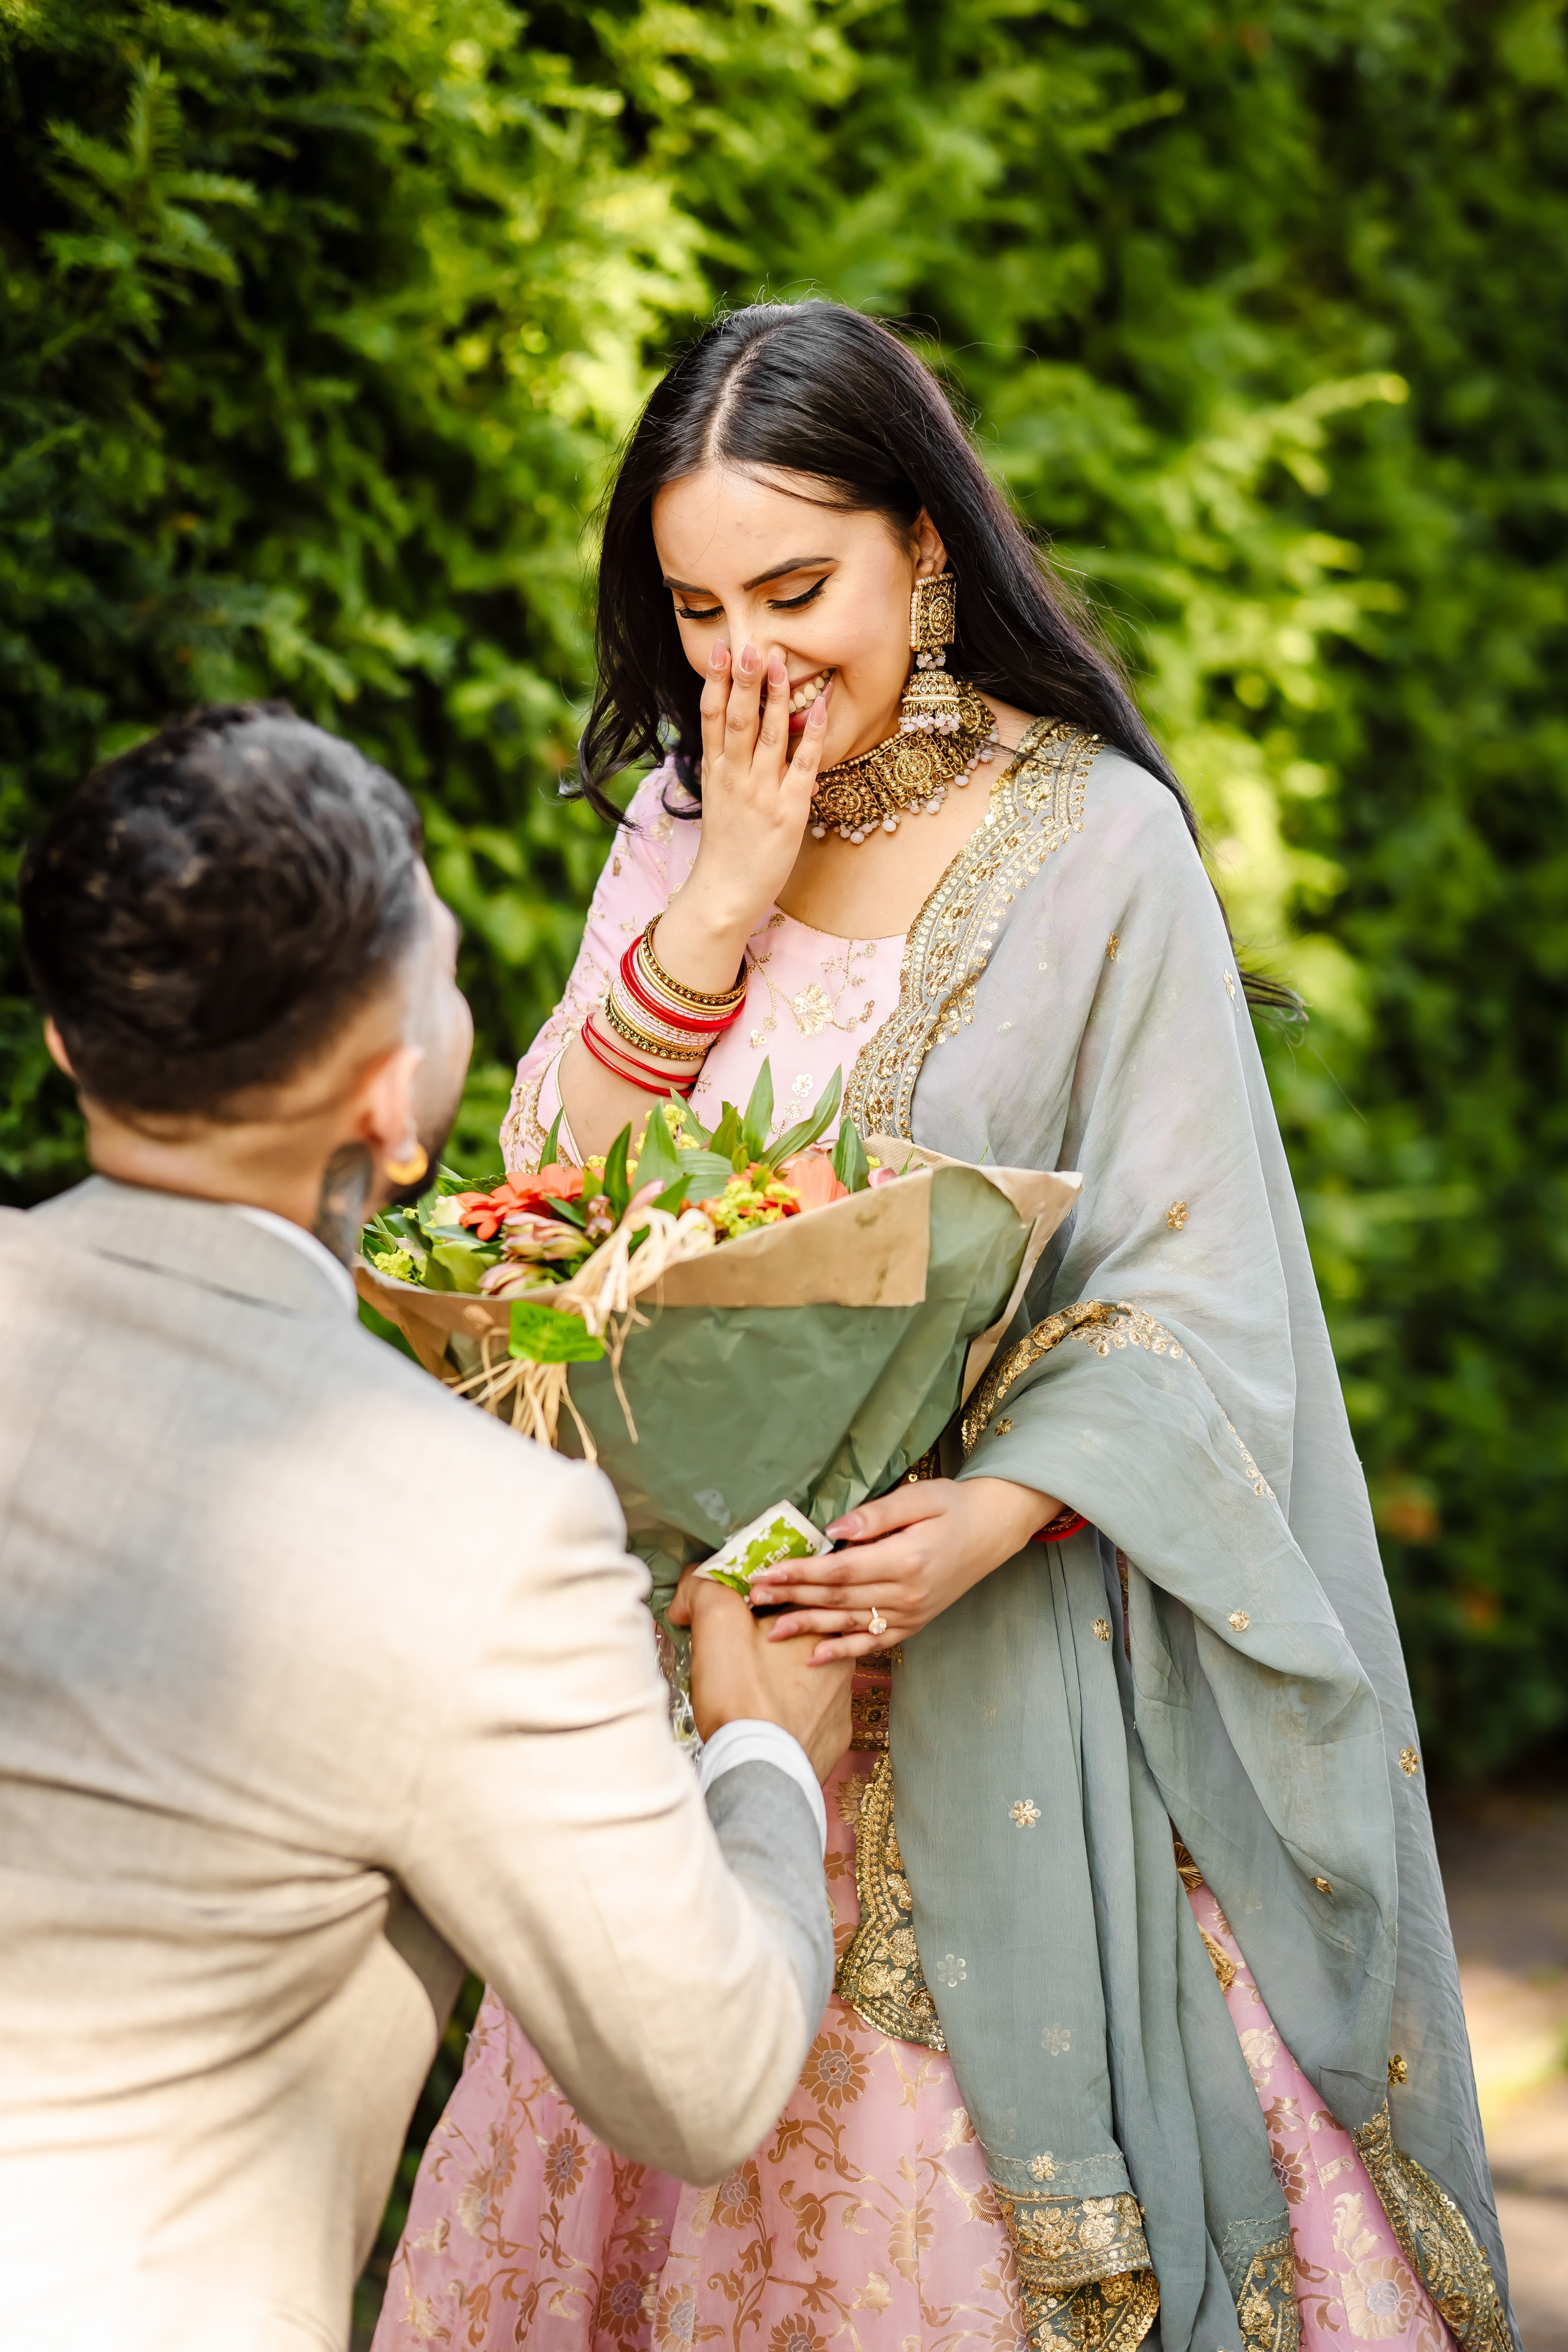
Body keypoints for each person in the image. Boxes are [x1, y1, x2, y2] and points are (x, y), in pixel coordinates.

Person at [377, 304, 1517, 2352]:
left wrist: (992, 1514)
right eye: (701, 606)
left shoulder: (1096, 843)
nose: (750, 660)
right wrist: (717, 899)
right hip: (697, 1704)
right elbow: (533, 1218)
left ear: (926, 540)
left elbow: (1200, 1287)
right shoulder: (676, 822)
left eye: (798, 588)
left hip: (1009, 1682)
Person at [0, 703, 853, 2352]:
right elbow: (708, 2078)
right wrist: (763, 1756)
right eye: (450, 971)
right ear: (393, 1109)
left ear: (68, 1045)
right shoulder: (483, 1533)